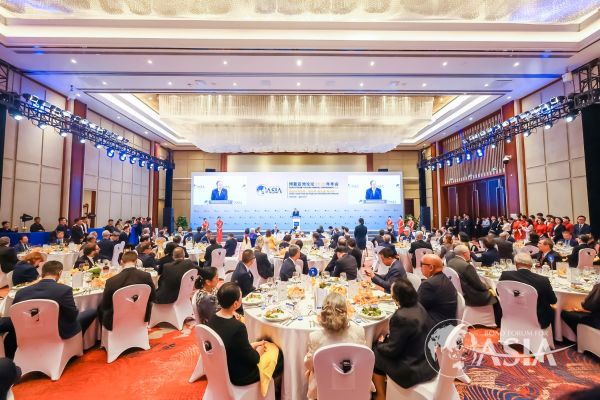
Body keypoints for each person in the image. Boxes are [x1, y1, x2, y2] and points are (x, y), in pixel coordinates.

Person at [207, 283, 283, 387]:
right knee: (279, 357)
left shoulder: (212, 318)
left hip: (220, 368)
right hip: (239, 376)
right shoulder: (238, 327)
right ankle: (276, 389)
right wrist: (259, 351)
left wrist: (252, 345)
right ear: (235, 304)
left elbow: (234, 345)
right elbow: (254, 359)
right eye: (241, 297)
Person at [372, 278, 436, 399]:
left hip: (411, 371)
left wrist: (379, 344)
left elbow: (392, 350)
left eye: (393, 296)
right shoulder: (419, 306)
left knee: (375, 353)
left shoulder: (401, 316)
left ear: (397, 298)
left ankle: (380, 395)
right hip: (429, 363)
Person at [304, 292, 366, 400]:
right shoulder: (359, 331)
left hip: (324, 388)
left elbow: (310, 365)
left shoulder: (315, 337)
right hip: (353, 385)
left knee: (309, 371)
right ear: (345, 311)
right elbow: (362, 361)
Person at [13, 260, 97, 340]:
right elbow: (73, 315)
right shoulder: (64, 290)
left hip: (27, 331)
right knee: (91, 312)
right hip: (59, 332)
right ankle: (78, 341)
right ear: (60, 273)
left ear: (42, 273)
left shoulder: (21, 292)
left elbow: (15, 315)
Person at [97, 251, 156, 331]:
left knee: (100, 307)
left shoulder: (111, 281)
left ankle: (103, 334)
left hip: (117, 319)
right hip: (142, 315)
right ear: (136, 261)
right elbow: (153, 297)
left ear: (121, 262)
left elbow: (106, 305)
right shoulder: (146, 276)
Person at [498, 252, 557, 329]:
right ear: (531, 265)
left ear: (516, 264)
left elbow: (499, 292)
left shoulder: (505, 275)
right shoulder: (543, 280)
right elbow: (553, 301)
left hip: (511, 315)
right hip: (537, 320)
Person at [418, 254, 457, 326]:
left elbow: (417, 307)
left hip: (437, 326)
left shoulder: (428, 284)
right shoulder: (445, 278)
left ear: (431, 267)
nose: (420, 267)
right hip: (448, 323)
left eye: (421, 264)